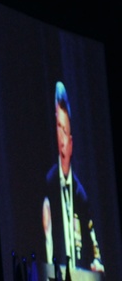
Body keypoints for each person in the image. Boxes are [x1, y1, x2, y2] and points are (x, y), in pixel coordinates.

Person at [41, 81, 104, 274]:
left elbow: (93, 239)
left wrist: (97, 261)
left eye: (65, 131)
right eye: (58, 127)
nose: (61, 136)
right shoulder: (49, 184)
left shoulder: (80, 195)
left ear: (71, 142)